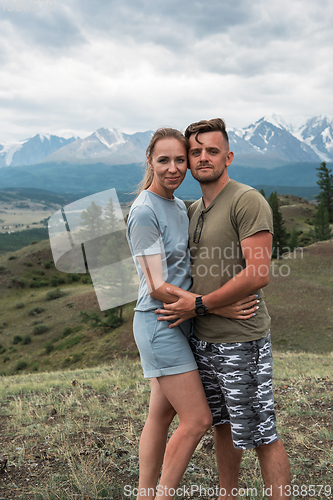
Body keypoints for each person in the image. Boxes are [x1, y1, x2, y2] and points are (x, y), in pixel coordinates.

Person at [155, 119, 291, 500]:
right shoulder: (194, 208)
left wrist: (200, 305)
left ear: (227, 156)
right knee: (223, 426)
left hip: (241, 340)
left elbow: (258, 273)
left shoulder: (246, 200)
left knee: (262, 433)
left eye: (211, 151)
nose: (202, 158)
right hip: (204, 340)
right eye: (195, 152)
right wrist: (204, 310)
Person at [126, 127, 259, 500]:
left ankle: (144, 493)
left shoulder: (177, 206)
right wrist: (213, 303)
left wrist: (200, 305)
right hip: (161, 321)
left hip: (181, 319)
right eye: (163, 160)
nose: (173, 168)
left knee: (161, 415)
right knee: (198, 419)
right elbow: (155, 285)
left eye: (179, 160)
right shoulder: (145, 210)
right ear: (149, 161)